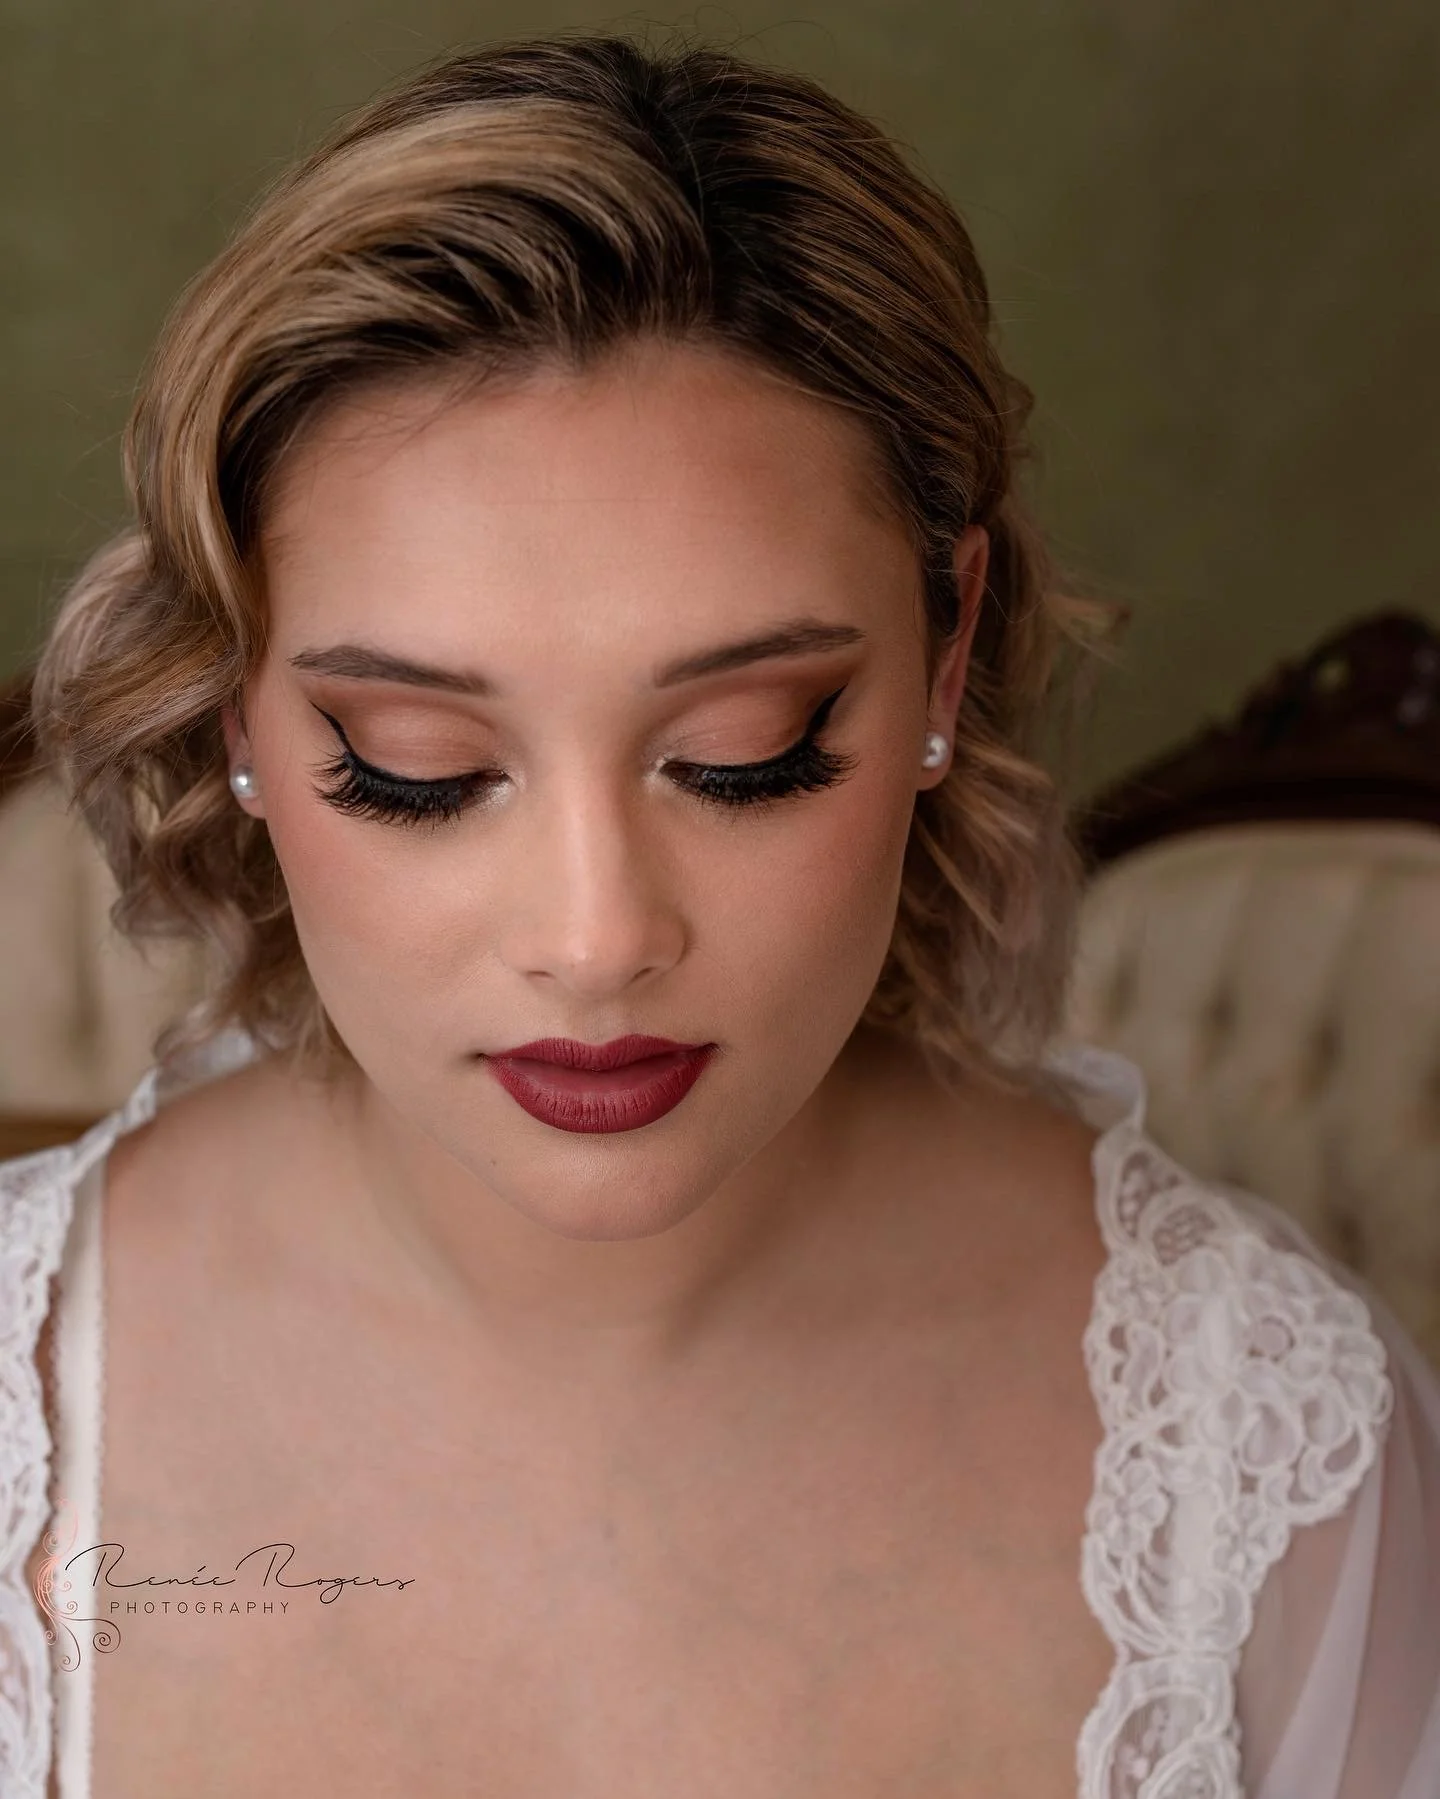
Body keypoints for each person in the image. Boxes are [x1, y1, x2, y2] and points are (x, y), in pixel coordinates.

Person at [2, 31, 1437, 1799]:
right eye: (418, 764)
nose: (599, 936)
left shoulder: (1267, 1458)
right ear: (239, 712)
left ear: (946, 658)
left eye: (747, 751)